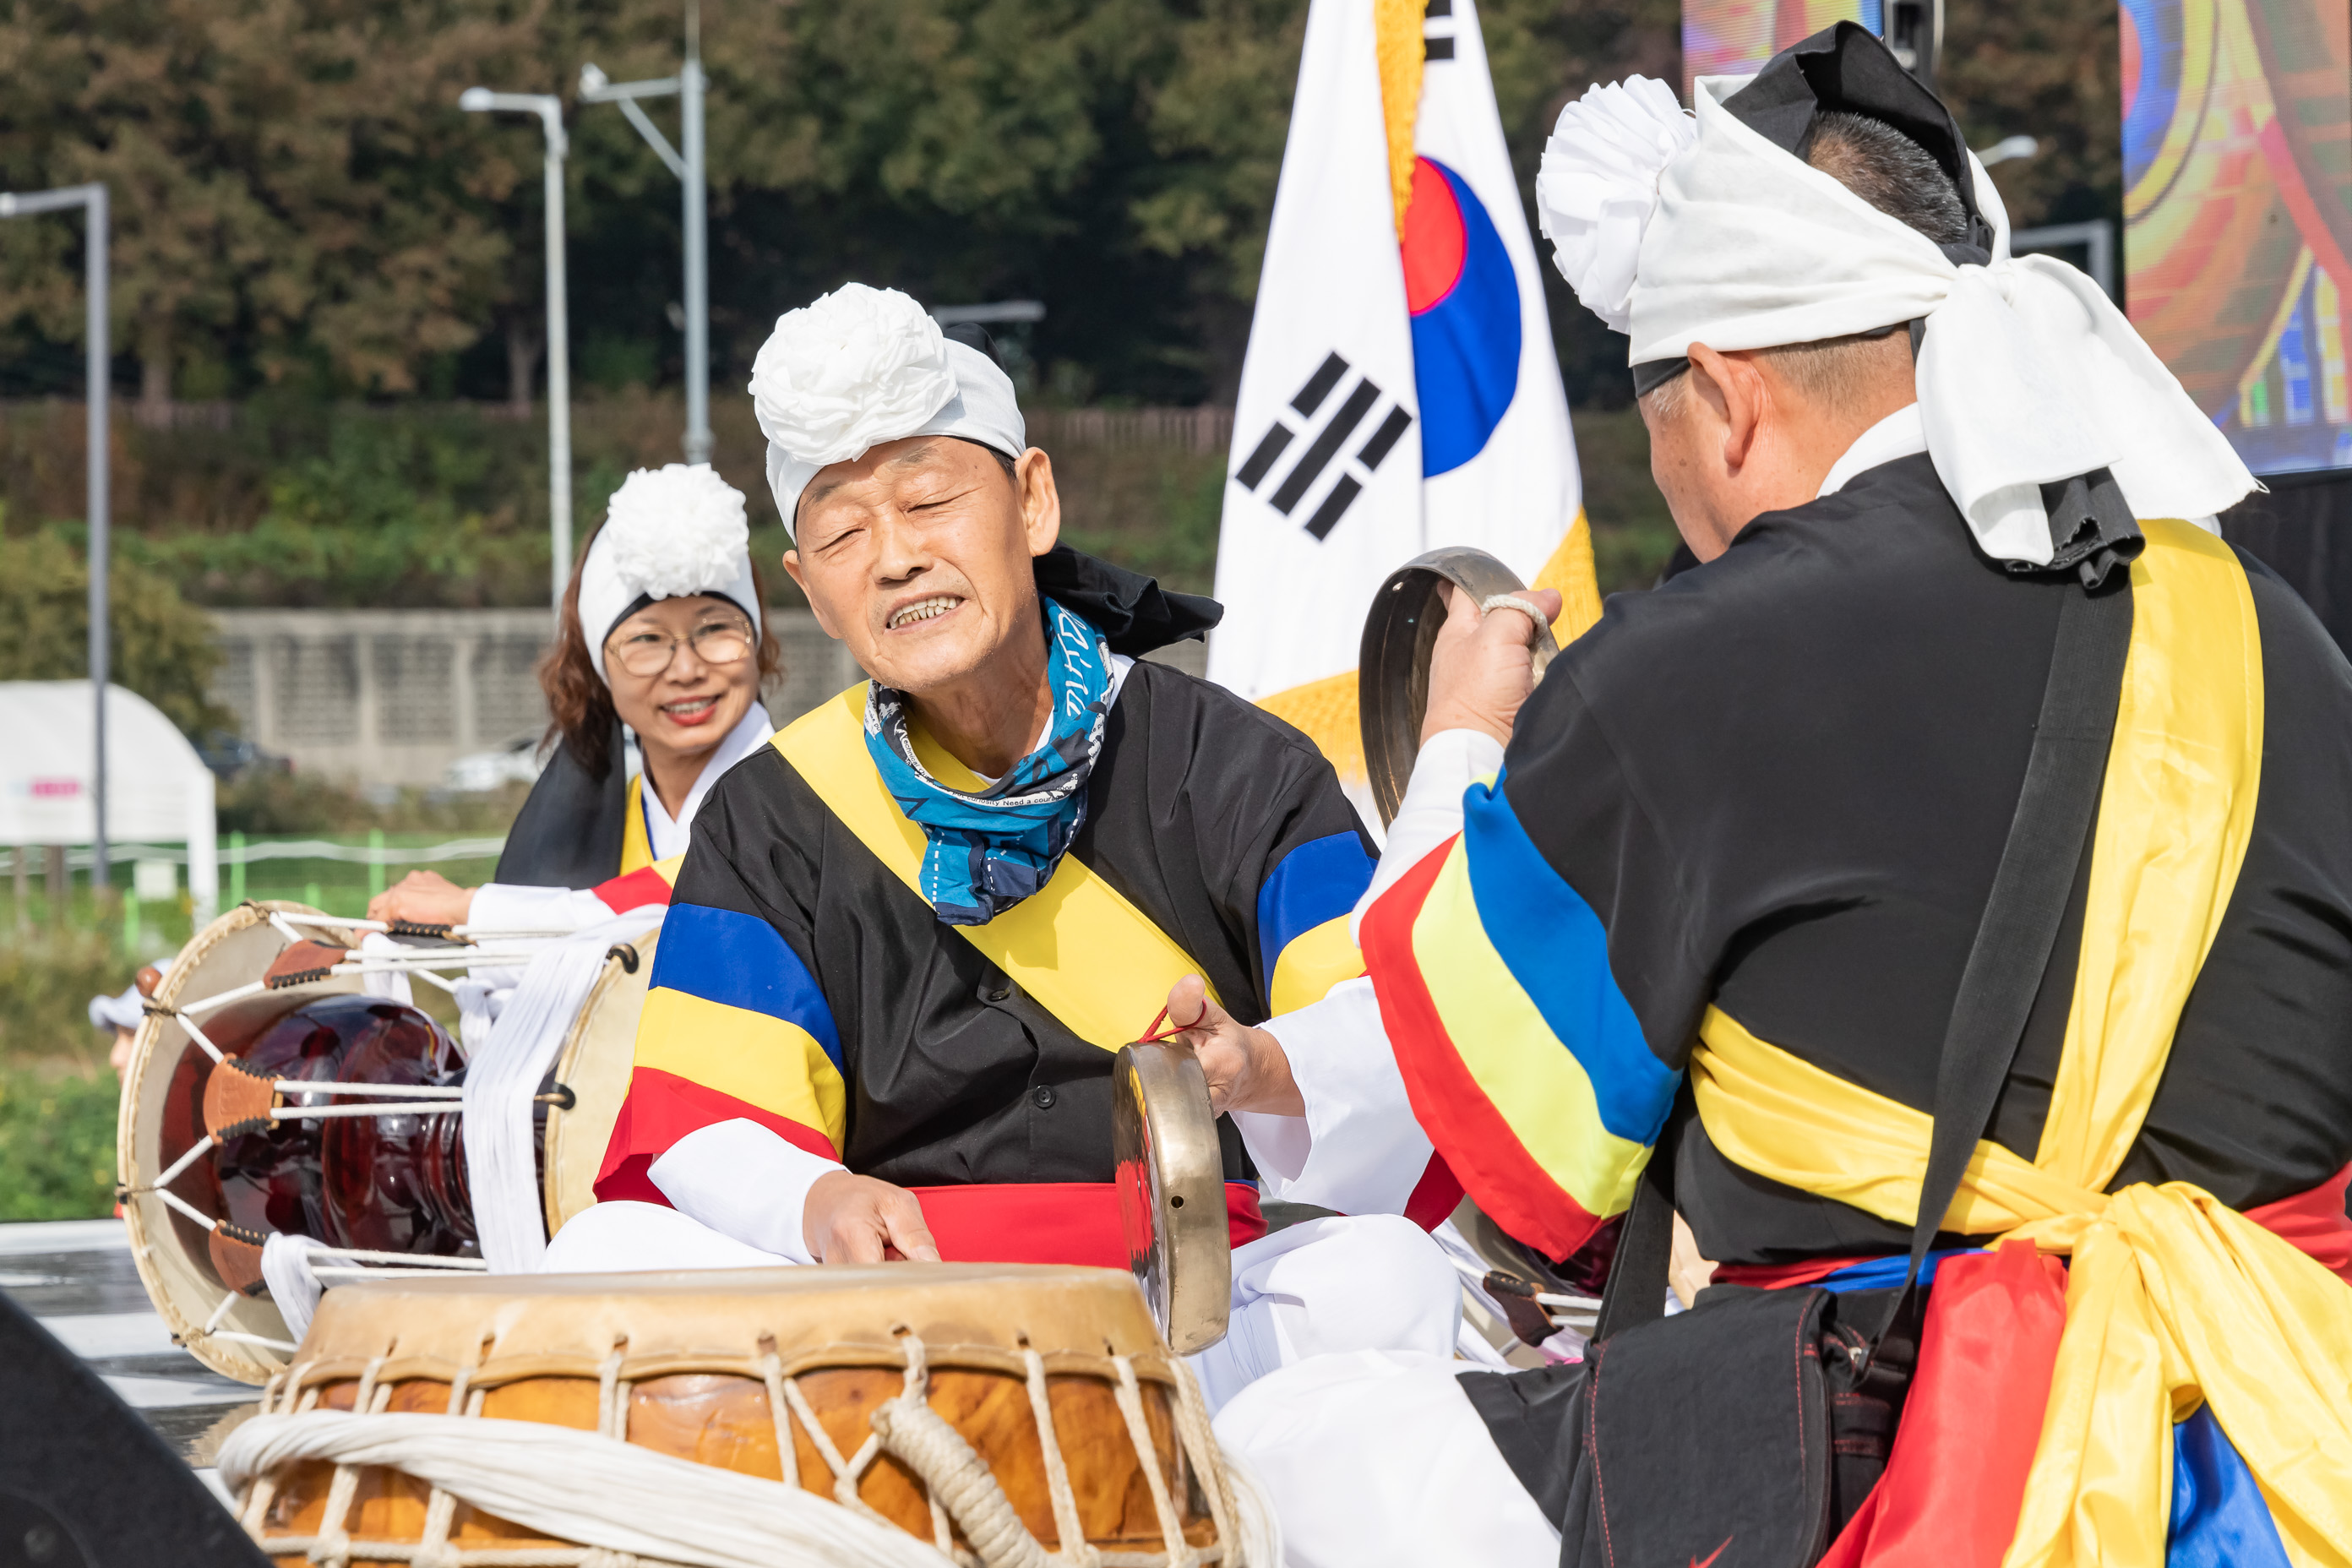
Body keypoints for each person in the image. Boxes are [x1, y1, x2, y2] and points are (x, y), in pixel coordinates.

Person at [1164, 26, 2352, 1565]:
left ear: (1720, 399)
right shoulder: (2267, 626)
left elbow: (1514, 1148)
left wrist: (1458, 739)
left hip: (1897, 1446)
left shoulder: (1676, 670)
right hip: (2288, 1430)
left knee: (1289, 1447)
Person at [541, 282, 1469, 1411]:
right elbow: (704, 1113)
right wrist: (815, 1203)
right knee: (609, 1256)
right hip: (886, 1315)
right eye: (843, 532)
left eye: (930, 501)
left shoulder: (1234, 764)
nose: (893, 559)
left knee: (1388, 1282)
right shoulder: (775, 811)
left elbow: (1386, 1041)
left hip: (1185, 1303)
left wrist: (1261, 1067)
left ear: (1031, 501)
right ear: (812, 595)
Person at [368, 463, 781, 933]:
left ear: (758, 639)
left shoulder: (802, 794)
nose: (686, 670)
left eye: (716, 630)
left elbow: (695, 891)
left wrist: (474, 910)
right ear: (599, 667)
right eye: (647, 640)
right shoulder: (615, 823)